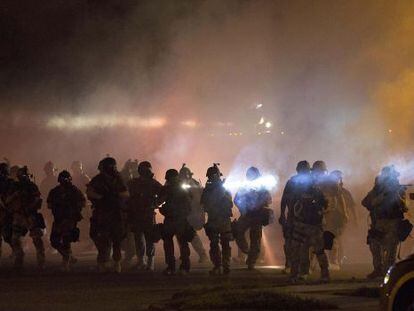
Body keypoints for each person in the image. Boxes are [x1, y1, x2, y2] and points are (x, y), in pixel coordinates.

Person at [362, 165, 407, 279]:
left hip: (393, 222)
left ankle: (388, 272)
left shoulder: (398, 189)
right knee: (374, 245)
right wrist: (382, 196)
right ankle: (378, 269)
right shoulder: (377, 189)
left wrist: (396, 196)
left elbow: (405, 207)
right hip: (379, 222)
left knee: (391, 248)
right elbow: (366, 202)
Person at [86, 157, 129, 273]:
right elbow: (89, 192)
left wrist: (114, 195)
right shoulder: (98, 179)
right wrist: (102, 197)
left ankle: (116, 263)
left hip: (116, 213)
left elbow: (126, 193)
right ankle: (103, 262)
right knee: (101, 239)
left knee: (117, 240)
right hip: (102, 213)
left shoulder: (118, 179)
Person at [289, 170, 330, 282]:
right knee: (299, 250)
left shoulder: (318, 193)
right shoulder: (301, 192)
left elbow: (326, 206)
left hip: (313, 226)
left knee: (318, 251)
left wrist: (319, 212)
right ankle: (299, 274)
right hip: (302, 225)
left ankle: (324, 274)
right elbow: (294, 206)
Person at [5, 166, 46, 270]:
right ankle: (19, 260)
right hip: (19, 216)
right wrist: (15, 195)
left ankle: (41, 262)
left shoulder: (32, 186)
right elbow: (7, 201)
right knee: (15, 240)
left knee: (37, 239)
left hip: (30, 215)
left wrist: (30, 207)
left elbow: (38, 200)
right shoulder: (14, 187)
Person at [233, 167, 272, 270]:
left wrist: (259, 204)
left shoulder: (262, 187)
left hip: (257, 216)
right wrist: (243, 208)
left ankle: (251, 261)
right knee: (237, 232)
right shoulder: (245, 186)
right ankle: (247, 251)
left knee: (256, 239)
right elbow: (236, 199)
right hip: (246, 214)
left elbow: (268, 200)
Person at [126, 161, 162, 271]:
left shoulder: (153, 183)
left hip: (147, 214)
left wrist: (155, 203)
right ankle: (141, 261)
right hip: (136, 213)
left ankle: (150, 262)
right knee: (138, 238)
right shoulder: (133, 183)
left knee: (149, 238)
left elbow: (164, 193)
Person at [47, 170, 85, 271]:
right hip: (59, 219)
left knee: (66, 239)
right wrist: (58, 206)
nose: (64, 180)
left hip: (69, 218)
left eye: (66, 178)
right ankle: (69, 256)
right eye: (63, 178)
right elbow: (49, 204)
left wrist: (73, 209)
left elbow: (82, 202)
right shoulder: (55, 191)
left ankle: (66, 261)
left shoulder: (74, 190)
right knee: (54, 241)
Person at [279, 160, 312, 273]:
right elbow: (284, 199)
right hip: (293, 217)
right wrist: (282, 214)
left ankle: (303, 268)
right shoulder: (291, 183)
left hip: (306, 218)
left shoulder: (312, 183)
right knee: (290, 242)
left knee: (305, 243)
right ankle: (290, 264)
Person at [159, 169, 193, 275]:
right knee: (179, 243)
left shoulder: (175, 188)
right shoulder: (178, 188)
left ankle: (175, 267)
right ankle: (181, 267)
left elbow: (188, 204)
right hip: (174, 218)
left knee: (177, 243)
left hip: (176, 218)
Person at [201, 164, 233, 275]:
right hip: (220, 220)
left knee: (218, 244)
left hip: (217, 219)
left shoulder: (210, 189)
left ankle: (220, 266)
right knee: (222, 244)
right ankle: (224, 265)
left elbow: (204, 205)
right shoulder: (222, 188)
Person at [179, 164, 208, 263]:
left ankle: (202, 254)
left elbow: (199, 199)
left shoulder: (194, 184)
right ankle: (184, 255)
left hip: (193, 213)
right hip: (183, 214)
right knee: (181, 236)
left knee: (192, 235)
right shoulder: (179, 184)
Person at [0, 162, 14, 258]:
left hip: (8, 211)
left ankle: (16, 251)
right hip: (2, 211)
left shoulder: (11, 183)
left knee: (7, 236)